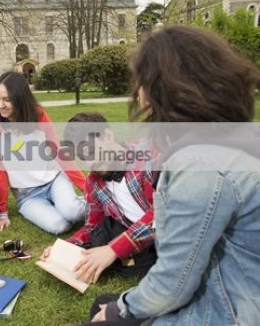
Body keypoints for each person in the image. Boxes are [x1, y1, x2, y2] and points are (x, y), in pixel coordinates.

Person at [85, 26, 260, 325]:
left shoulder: (198, 166)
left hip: (228, 310)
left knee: (105, 314)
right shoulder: (233, 140)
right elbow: (94, 219)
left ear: (160, 87)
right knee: (105, 304)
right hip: (232, 289)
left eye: (140, 82)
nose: (138, 93)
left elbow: (173, 283)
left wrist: (118, 311)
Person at [40, 112, 156, 285]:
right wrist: (62, 249)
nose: (89, 163)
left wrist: (113, 250)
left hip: (174, 231)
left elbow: (163, 215)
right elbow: (92, 227)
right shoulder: (93, 182)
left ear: (108, 135)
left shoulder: (146, 156)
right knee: (103, 230)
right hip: (135, 232)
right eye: (83, 157)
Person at [0, 71, 87, 234]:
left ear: (20, 98)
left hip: (54, 180)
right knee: (59, 226)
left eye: (7, 99)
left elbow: (59, 152)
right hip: (27, 195)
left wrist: (88, 188)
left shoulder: (38, 115)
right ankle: (65, 204)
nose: (0, 105)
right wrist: (2, 211)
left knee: (72, 212)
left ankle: (86, 203)